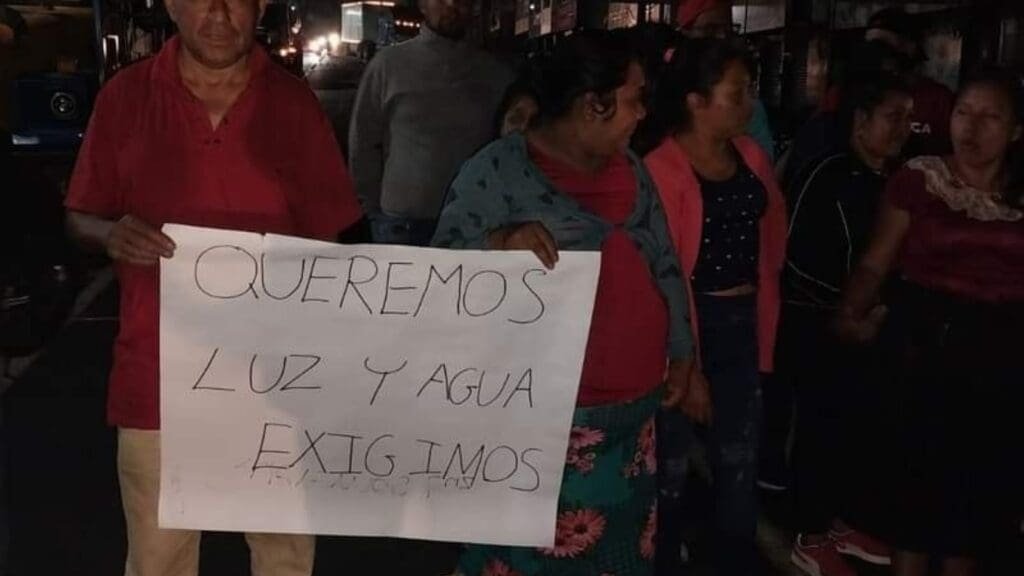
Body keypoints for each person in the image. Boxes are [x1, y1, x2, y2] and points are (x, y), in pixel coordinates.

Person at [63, 0, 364, 572]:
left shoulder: (294, 104)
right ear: (171, 5)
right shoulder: (125, 98)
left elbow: (329, 240)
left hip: (276, 383)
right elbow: (79, 216)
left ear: (262, 6)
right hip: (156, 381)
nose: (219, 14)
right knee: (159, 560)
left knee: (284, 556)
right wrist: (110, 233)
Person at [433, 31, 696, 576]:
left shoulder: (632, 169)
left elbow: (664, 262)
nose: (643, 113)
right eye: (634, 98)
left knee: (616, 555)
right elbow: (440, 272)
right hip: (542, 424)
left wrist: (681, 349)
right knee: (527, 558)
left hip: (631, 422)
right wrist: (498, 243)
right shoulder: (498, 172)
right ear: (592, 104)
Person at [837, 68, 1024, 576]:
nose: (972, 127)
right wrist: (850, 313)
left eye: (990, 117)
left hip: (1000, 363)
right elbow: (875, 262)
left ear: (1015, 130)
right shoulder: (920, 179)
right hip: (923, 354)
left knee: (974, 506)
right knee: (913, 501)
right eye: (964, 112)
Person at [641, 37, 787, 575]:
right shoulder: (661, 167)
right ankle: (663, 558)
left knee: (739, 457)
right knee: (670, 464)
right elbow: (665, 275)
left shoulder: (750, 155)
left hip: (742, 321)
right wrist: (689, 363)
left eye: (750, 90)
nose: (749, 103)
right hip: (684, 323)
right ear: (696, 101)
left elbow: (772, 237)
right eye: (737, 92)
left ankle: (732, 560)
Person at [780, 73, 913, 576]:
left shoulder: (896, 181)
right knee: (820, 429)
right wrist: (845, 313)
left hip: (873, 330)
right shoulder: (828, 174)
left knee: (855, 431)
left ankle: (837, 520)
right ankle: (809, 535)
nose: (903, 128)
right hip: (820, 327)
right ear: (861, 121)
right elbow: (798, 258)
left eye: (908, 118)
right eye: (892, 117)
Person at [349, 0, 512, 246]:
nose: (452, 4)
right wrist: (371, 209)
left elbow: (511, 147)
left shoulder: (496, 74)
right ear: (423, 5)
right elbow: (363, 142)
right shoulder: (388, 65)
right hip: (401, 225)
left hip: (474, 224)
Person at [676, 0, 776, 161]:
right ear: (686, 33)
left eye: (727, 30)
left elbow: (764, 165)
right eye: (710, 29)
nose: (721, 37)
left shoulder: (750, 108)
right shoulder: (667, 93)